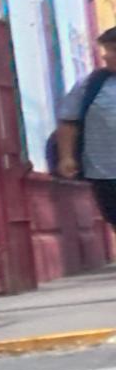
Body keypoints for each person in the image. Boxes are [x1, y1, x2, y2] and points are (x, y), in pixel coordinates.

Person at [61, 24, 116, 230]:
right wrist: (67, 156)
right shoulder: (91, 84)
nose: (106, 56)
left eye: (113, 50)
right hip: (105, 173)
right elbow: (68, 121)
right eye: (106, 50)